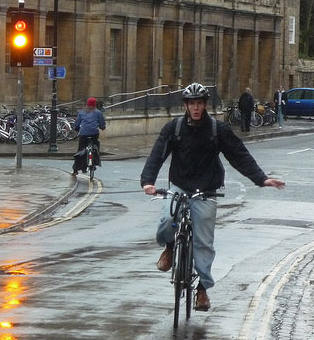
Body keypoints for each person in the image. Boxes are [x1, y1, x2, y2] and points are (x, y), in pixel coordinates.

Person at [140, 82, 285, 312]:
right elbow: (157, 154)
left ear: (205, 104)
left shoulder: (218, 130)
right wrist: (148, 181)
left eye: (199, 103)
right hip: (179, 185)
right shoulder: (174, 128)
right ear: (186, 105)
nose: (195, 108)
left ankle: (202, 290)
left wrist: (261, 178)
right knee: (167, 220)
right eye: (191, 104)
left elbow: (239, 156)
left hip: (206, 191)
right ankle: (169, 247)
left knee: (204, 243)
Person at [72, 97, 106, 175]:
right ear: (95, 105)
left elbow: (77, 124)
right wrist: (102, 127)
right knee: (96, 147)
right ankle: (94, 162)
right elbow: (102, 124)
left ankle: (76, 169)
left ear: (87, 104)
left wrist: (77, 129)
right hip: (94, 134)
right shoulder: (98, 113)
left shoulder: (81, 112)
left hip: (84, 134)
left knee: (80, 151)